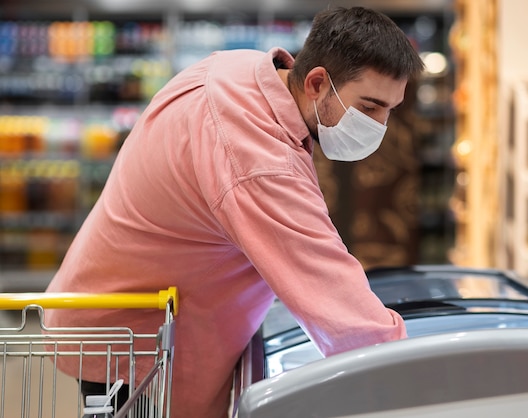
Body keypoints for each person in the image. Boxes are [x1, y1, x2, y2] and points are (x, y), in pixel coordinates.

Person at [45, 6, 424, 417]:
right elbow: (329, 286)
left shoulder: (243, 70)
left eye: (390, 110)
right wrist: (415, 378)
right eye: (369, 108)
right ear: (317, 83)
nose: (380, 127)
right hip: (139, 345)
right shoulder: (257, 158)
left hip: (132, 317)